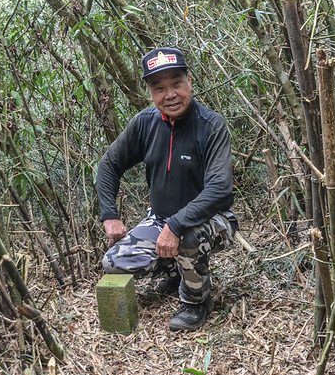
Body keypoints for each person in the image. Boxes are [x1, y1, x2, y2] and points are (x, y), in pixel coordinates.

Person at [97, 46, 237, 331]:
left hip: (212, 220)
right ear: (151, 93)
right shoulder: (145, 123)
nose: (169, 94)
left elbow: (220, 189)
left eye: (176, 84)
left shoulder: (211, 126)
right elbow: (109, 164)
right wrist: (109, 215)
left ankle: (196, 301)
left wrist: (175, 225)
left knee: (187, 238)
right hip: (161, 219)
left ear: (190, 82)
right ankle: (177, 271)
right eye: (159, 88)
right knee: (114, 262)